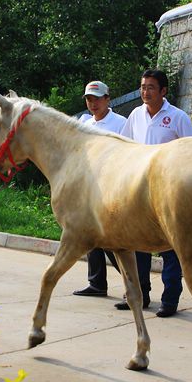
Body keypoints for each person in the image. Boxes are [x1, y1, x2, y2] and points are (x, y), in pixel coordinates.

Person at [117, 69, 192, 317]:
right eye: (142, 87)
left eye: (151, 87)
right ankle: (140, 295)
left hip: (168, 192)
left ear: (163, 91)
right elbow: (124, 147)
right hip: (138, 191)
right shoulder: (135, 115)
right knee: (137, 244)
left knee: (170, 247)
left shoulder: (177, 117)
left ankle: (170, 300)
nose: (145, 92)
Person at [72, 81, 127, 298]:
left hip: (112, 186)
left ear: (108, 99)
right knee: (90, 234)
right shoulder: (84, 122)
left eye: (97, 98)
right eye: (89, 99)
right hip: (88, 186)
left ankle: (131, 283)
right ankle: (96, 282)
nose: (92, 103)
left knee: (111, 238)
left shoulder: (120, 123)